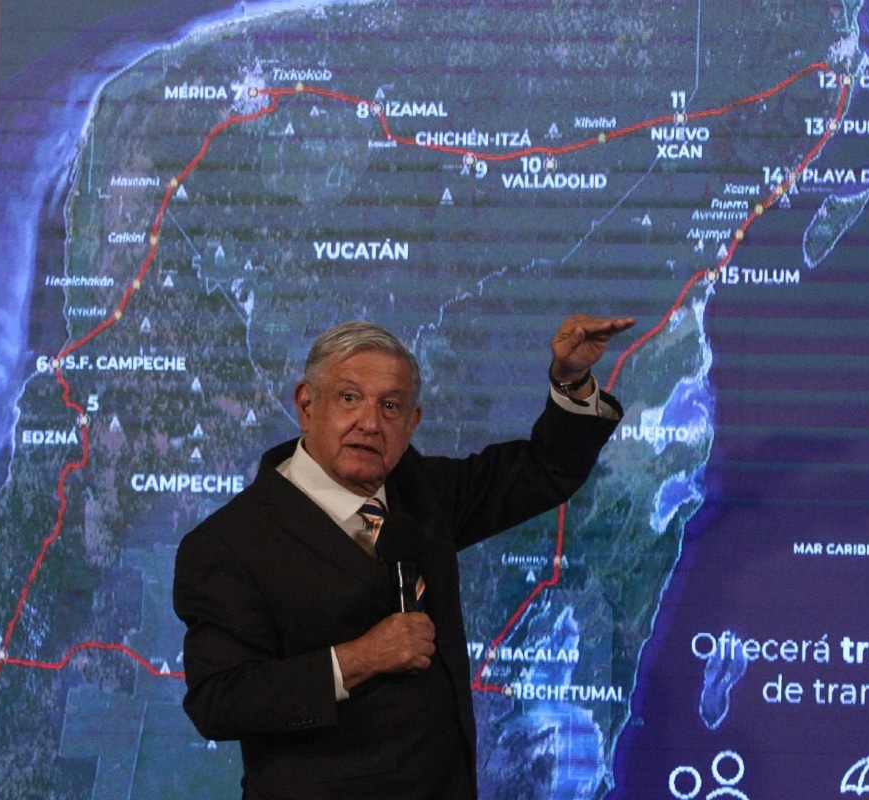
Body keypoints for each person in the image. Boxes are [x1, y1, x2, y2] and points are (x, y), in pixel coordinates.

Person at [173, 313, 636, 800]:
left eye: (390, 406)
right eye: (349, 398)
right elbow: (217, 701)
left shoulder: (421, 493)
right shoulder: (230, 543)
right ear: (307, 405)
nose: (370, 423)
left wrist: (570, 380)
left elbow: (545, 470)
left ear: (412, 422)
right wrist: (356, 660)